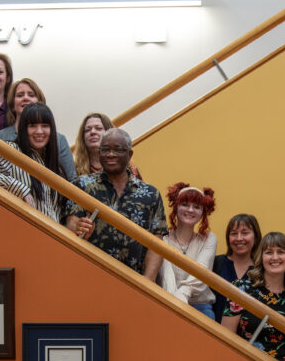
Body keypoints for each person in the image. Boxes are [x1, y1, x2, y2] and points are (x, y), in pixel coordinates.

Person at [65, 128, 167, 280]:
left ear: (129, 154)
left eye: (118, 150)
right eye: (105, 149)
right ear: (99, 153)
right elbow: (71, 223)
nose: (111, 154)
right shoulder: (82, 185)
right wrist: (79, 226)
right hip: (88, 275)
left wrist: (148, 280)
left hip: (134, 281)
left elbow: (156, 242)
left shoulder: (151, 194)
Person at [222, 231, 285, 361]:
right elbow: (226, 336)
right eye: (269, 252)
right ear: (261, 258)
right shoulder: (241, 289)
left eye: (280, 252)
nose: (275, 257)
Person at [0, 102, 69, 222]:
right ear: (23, 129)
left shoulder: (55, 167)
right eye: (32, 125)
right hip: (19, 232)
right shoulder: (13, 150)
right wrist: (20, 189)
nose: (39, 131)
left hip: (49, 236)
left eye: (45, 125)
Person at [158, 182, 217, 318]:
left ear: (202, 212)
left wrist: (183, 293)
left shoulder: (209, 239)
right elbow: (167, 278)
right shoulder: (163, 239)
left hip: (201, 309)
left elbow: (201, 270)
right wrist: (175, 302)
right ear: (176, 207)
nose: (190, 210)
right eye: (185, 204)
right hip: (168, 304)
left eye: (196, 207)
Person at [2, 78, 75, 179]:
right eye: (20, 95)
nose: (25, 98)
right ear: (12, 105)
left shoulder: (60, 140)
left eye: (31, 95)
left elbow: (71, 180)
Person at [211, 214, 262, 322]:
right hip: (212, 333)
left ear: (256, 236)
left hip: (248, 338)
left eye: (245, 233)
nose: (239, 238)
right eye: (234, 233)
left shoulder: (262, 269)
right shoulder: (216, 263)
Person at [72, 112, 142, 179]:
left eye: (98, 128)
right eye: (87, 130)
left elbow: (142, 190)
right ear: (83, 137)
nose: (92, 132)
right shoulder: (73, 169)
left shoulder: (127, 166)